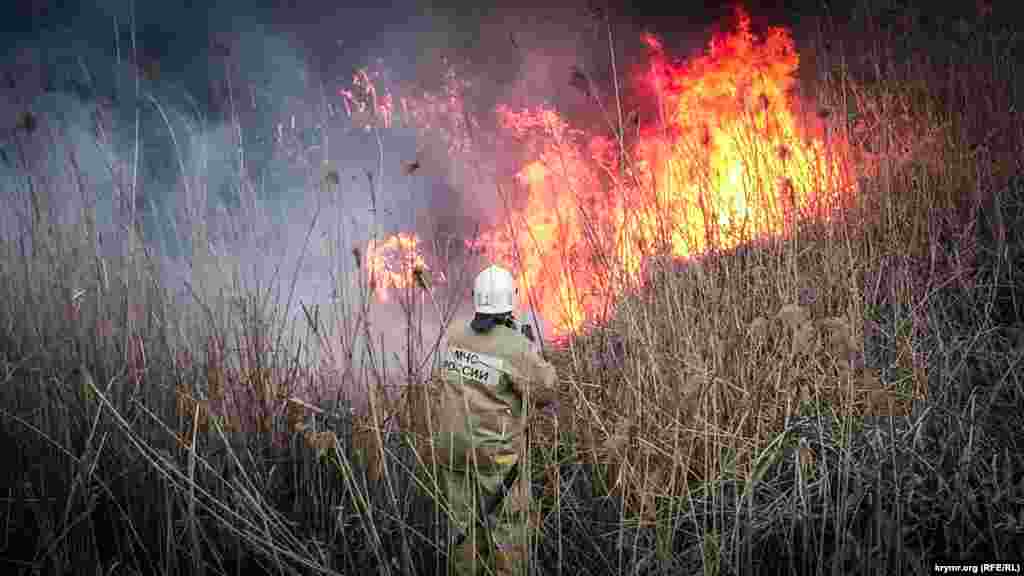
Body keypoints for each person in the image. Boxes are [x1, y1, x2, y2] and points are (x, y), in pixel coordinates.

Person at [428, 264, 559, 576]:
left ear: (477, 299)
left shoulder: (454, 335)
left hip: (452, 449)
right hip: (496, 456)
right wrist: (533, 352)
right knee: (508, 528)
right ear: (510, 301)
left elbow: (443, 381)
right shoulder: (515, 347)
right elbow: (546, 391)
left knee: (464, 531)